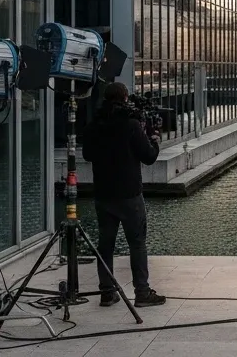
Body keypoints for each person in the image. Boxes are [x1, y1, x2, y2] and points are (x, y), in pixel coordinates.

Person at [80, 82, 167, 307]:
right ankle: (142, 293)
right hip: (129, 195)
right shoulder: (131, 125)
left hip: (103, 195)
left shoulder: (94, 126)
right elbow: (148, 156)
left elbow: (87, 154)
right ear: (125, 97)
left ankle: (107, 292)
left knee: (105, 245)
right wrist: (155, 141)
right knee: (137, 244)